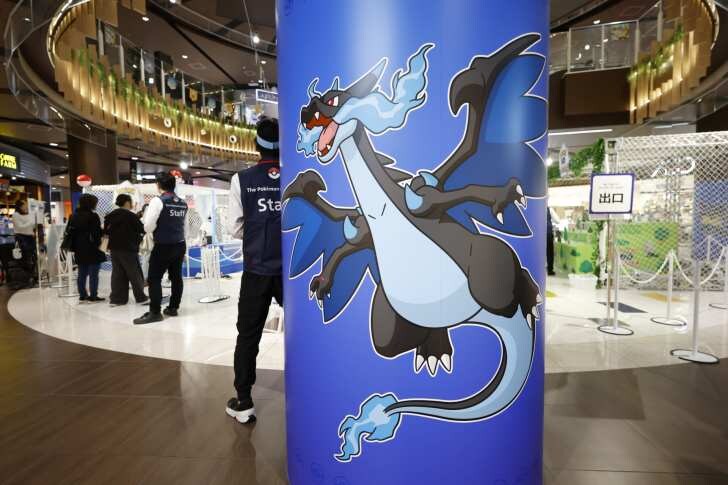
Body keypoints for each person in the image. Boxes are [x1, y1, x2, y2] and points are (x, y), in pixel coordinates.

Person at [225, 118, 282, 423]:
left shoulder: (241, 179)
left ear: (256, 145)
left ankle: (244, 400)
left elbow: (235, 228)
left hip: (256, 269)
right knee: (306, 332)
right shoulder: (296, 175)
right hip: (292, 274)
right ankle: (316, 388)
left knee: (248, 335)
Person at [134, 172, 188, 325]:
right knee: (176, 277)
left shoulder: (158, 201)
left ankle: (155, 312)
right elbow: (185, 227)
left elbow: (148, 226)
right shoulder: (182, 203)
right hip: (180, 244)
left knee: (154, 278)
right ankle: (173, 308)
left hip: (163, 245)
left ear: (158, 185)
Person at [104, 194, 147, 306]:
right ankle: (141, 298)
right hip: (128, 249)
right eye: (131, 201)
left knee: (118, 274)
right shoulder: (130, 216)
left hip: (114, 249)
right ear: (127, 202)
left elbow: (106, 232)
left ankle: (117, 299)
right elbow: (142, 229)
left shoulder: (110, 216)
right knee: (134, 273)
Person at [67, 194, 106, 302]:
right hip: (92, 248)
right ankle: (93, 295)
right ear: (91, 204)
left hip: (78, 247)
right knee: (94, 273)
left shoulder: (73, 216)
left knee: (82, 272)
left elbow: (70, 232)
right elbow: (97, 233)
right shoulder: (93, 216)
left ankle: (82, 294)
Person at [12, 200, 37, 278]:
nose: (26, 206)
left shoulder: (28, 214)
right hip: (22, 238)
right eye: (25, 204)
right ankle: (28, 276)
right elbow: (19, 227)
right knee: (25, 257)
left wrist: (34, 223)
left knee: (33, 257)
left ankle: (32, 275)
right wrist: (31, 222)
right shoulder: (15, 215)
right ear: (20, 206)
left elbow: (32, 226)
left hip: (30, 238)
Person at [0, 214, 15, 284]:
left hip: (3, 244)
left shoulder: (8, 220)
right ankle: (9, 276)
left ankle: (7, 276)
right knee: (9, 261)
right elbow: (12, 231)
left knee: (4, 261)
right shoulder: (9, 220)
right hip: (11, 243)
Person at [546, 206, 555, 276]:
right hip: (548, 233)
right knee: (550, 252)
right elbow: (558, 220)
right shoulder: (549, 209)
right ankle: (550, 270)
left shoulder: (536, 208)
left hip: (539, 234)